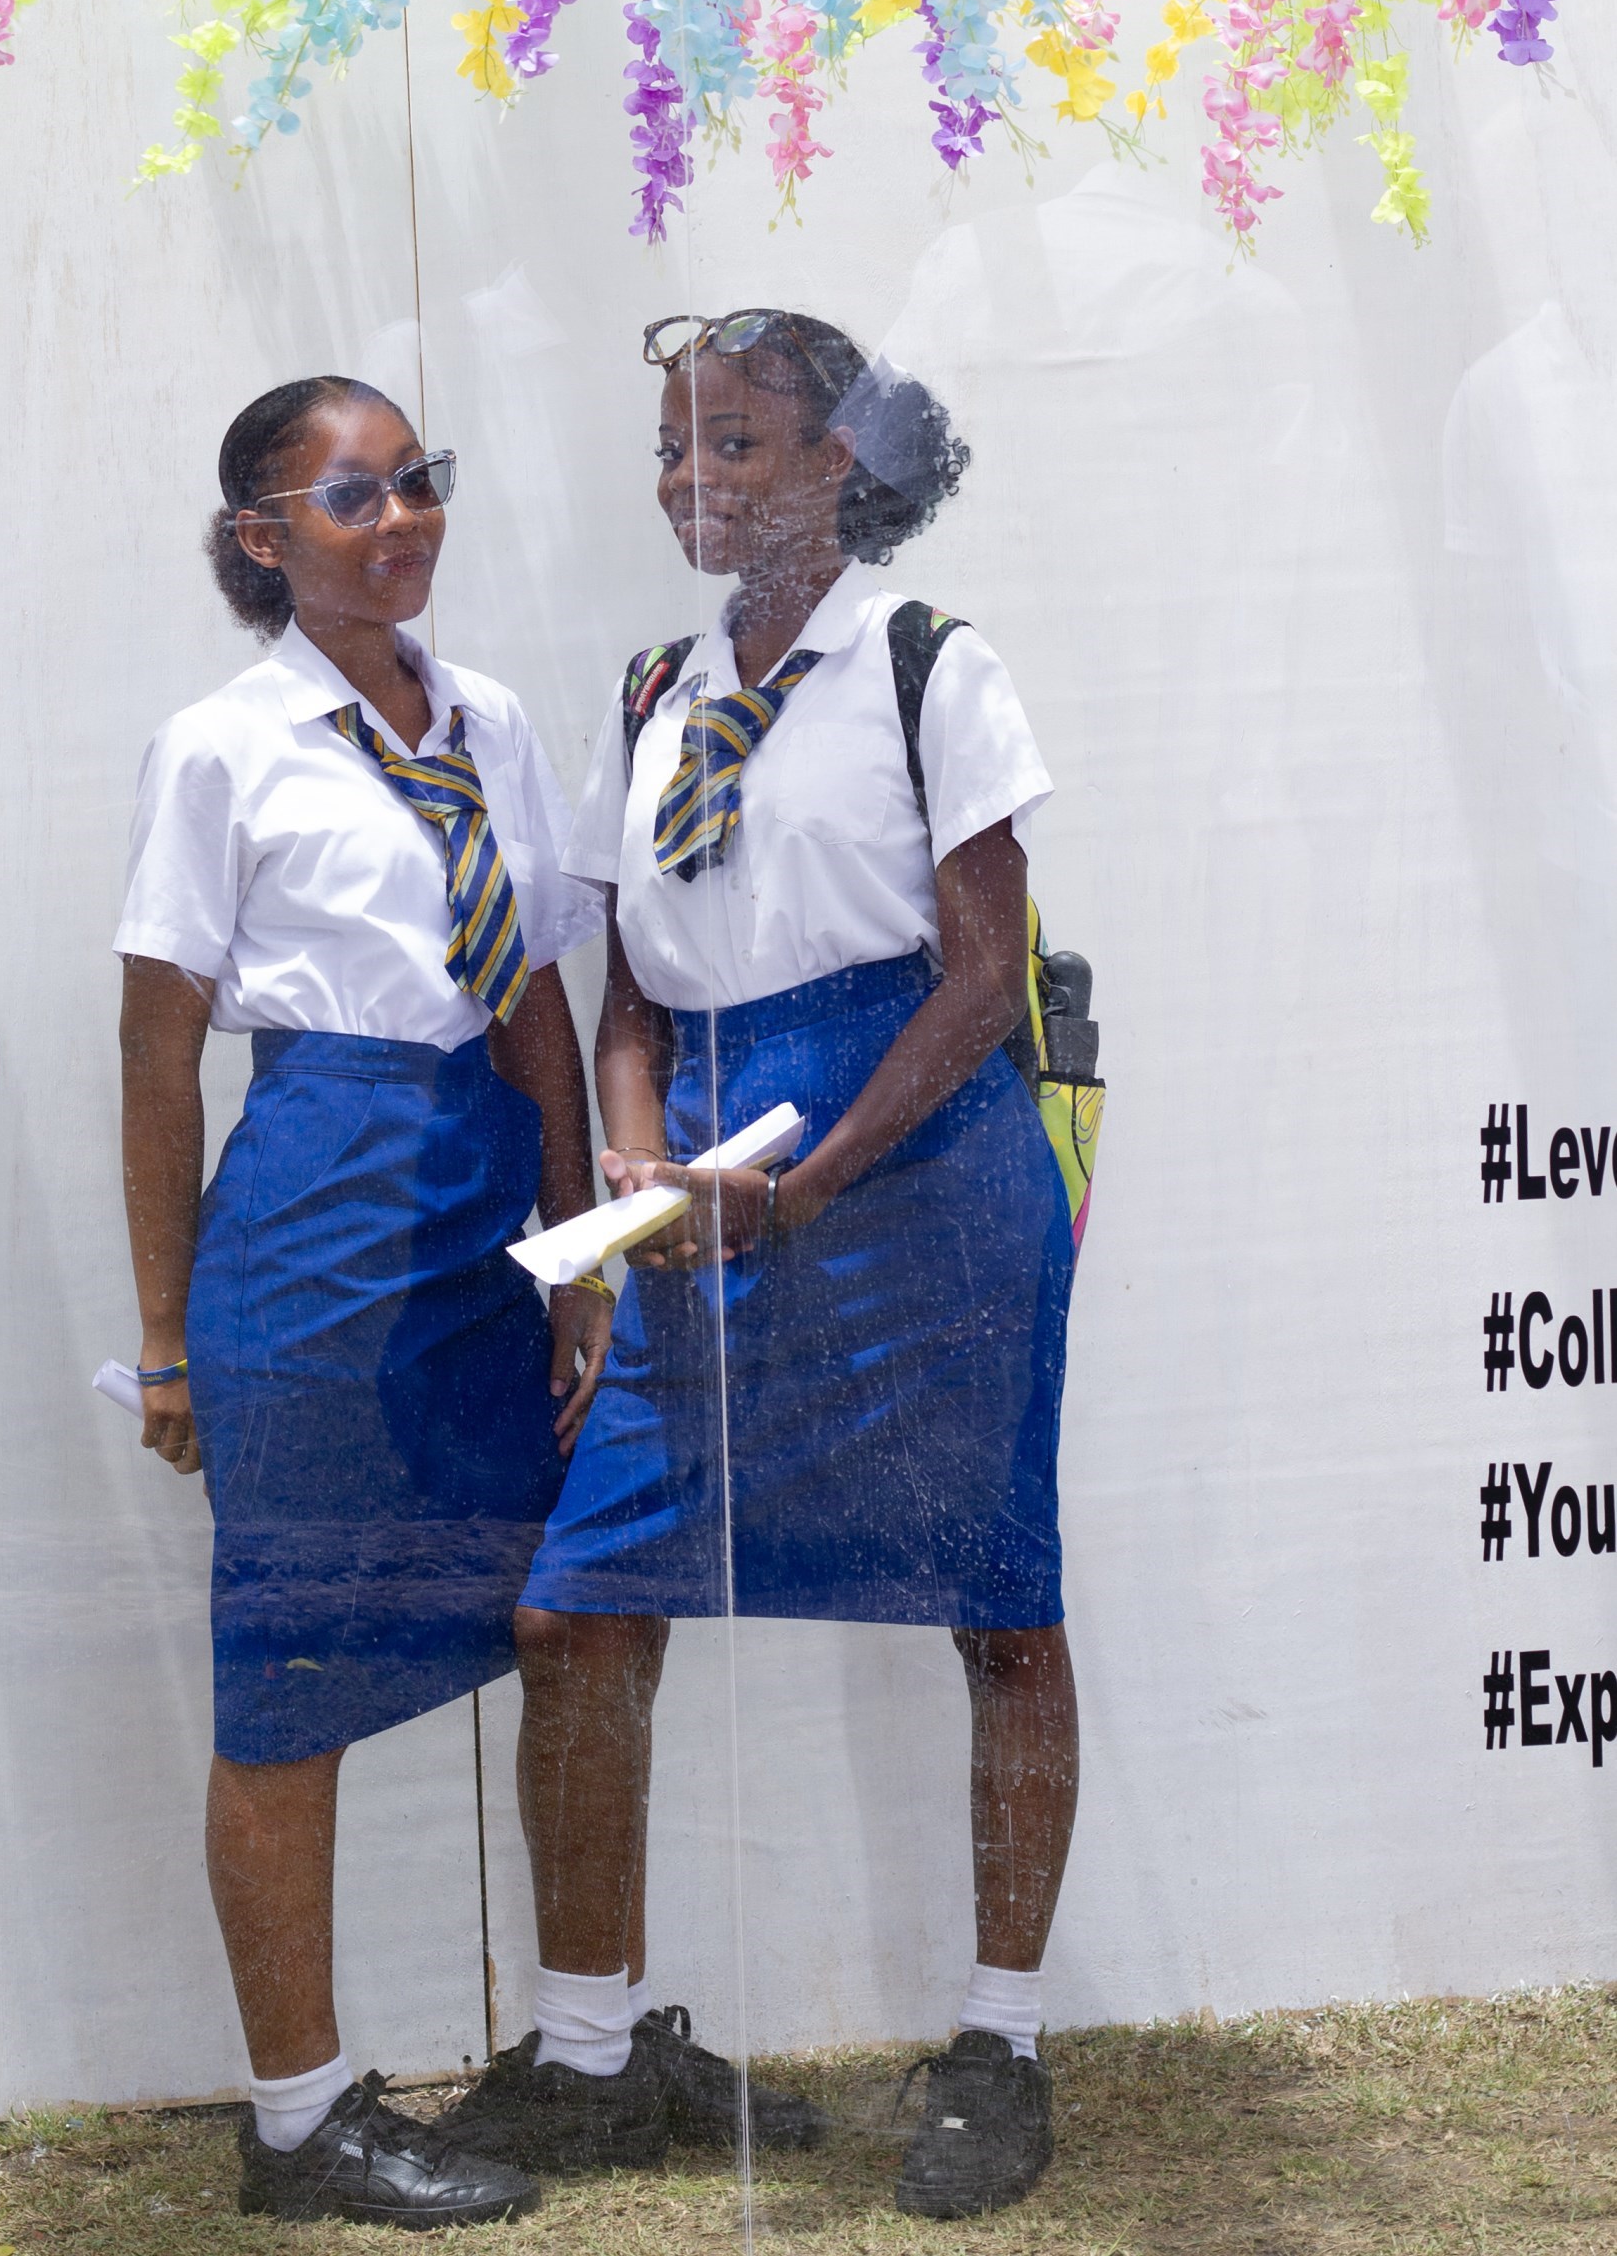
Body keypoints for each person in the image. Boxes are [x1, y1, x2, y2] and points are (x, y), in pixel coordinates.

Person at [444, 309, 1080, 2219]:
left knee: (996, 1600)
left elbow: (984, 979)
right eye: (673, 444)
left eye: (734, 443)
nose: (690, 480)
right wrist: (634, 1151)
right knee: (576, 1610)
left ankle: (999, 2043)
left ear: (838, 465)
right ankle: (588, 2055)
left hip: (910, 1160)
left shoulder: (925, 663)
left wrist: (810, 1182)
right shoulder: (654, 689)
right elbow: (629, 983)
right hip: (703, 1179)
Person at [116, 374, 613, 2227]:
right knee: (291, 1679)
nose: (401, 519)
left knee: (575, 1618)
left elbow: (536, 997)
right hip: (319, 1225)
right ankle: (299, 2120)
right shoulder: (220, 748)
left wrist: (575, 1258)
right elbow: (154, 1056)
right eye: (353, 497)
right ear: (262, 538)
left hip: (493, 1216)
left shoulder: (487, 720)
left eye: (418, 482)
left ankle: (588, 2051)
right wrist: (165, 1338)